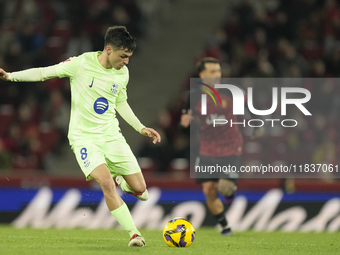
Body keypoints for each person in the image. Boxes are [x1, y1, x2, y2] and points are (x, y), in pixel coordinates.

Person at [0, 25, 161, 247]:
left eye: (129, 57)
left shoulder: (122, 73)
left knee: (141, 191)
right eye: (123, 56)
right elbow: (44, 72)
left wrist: (140, 127)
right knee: (105, 182)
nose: (126, 62)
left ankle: (123, 182)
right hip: (84, 138)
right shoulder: (81, 64)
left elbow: (120, 102)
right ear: (108, 50)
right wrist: (10, 76)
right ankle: (134, 234)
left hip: (111, 136)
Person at [181, 57, 262, 235]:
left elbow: (251, 106)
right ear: (202, 75)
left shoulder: (231, 92)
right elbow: (184, 116)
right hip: (207, 148)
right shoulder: (194, 96)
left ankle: (228, 192)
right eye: (212, 72)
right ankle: (225, 227)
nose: (217, 75)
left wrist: (257, 124)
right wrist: (185, 121)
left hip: (231, 147)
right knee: (209, 189)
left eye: (218, 71)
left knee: (224, 188)